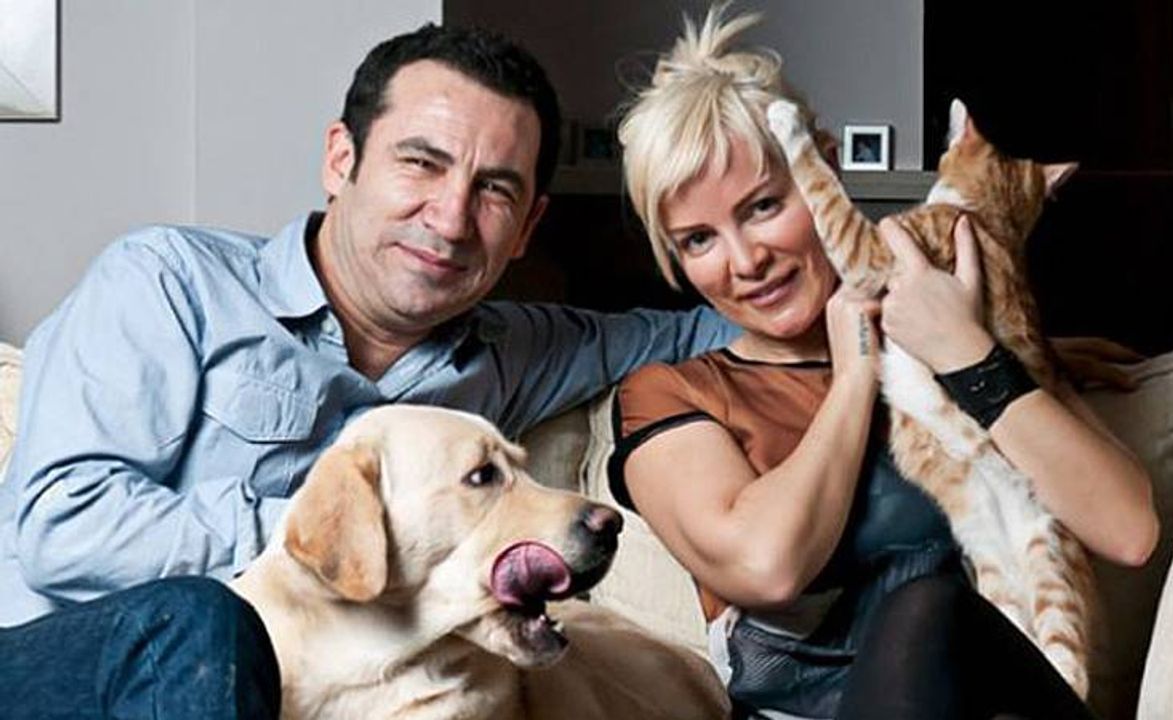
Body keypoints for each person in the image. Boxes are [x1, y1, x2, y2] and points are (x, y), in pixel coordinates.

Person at [0, 21, 735, 718]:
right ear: (341, 160)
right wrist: (345, 532)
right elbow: (64, 524)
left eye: (494, 190)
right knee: (205, 620)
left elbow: (726, 324)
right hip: (67, 666)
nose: (450, 218)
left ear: (526, 228)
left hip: (300, 694)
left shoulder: (516, 354)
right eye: (421, 163)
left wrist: (778, 209)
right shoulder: (169, 282)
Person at [608, 8, 1158, 719]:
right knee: (921, 609)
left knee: (932, 609)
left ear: (824, 169)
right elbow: (767, 568)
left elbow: (1129, 531)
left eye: (764, 206)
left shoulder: (957, 329)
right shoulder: (673, 393)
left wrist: (965, 355)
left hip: (996, 704)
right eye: (698, 240)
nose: (745, 261)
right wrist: (856, 373)